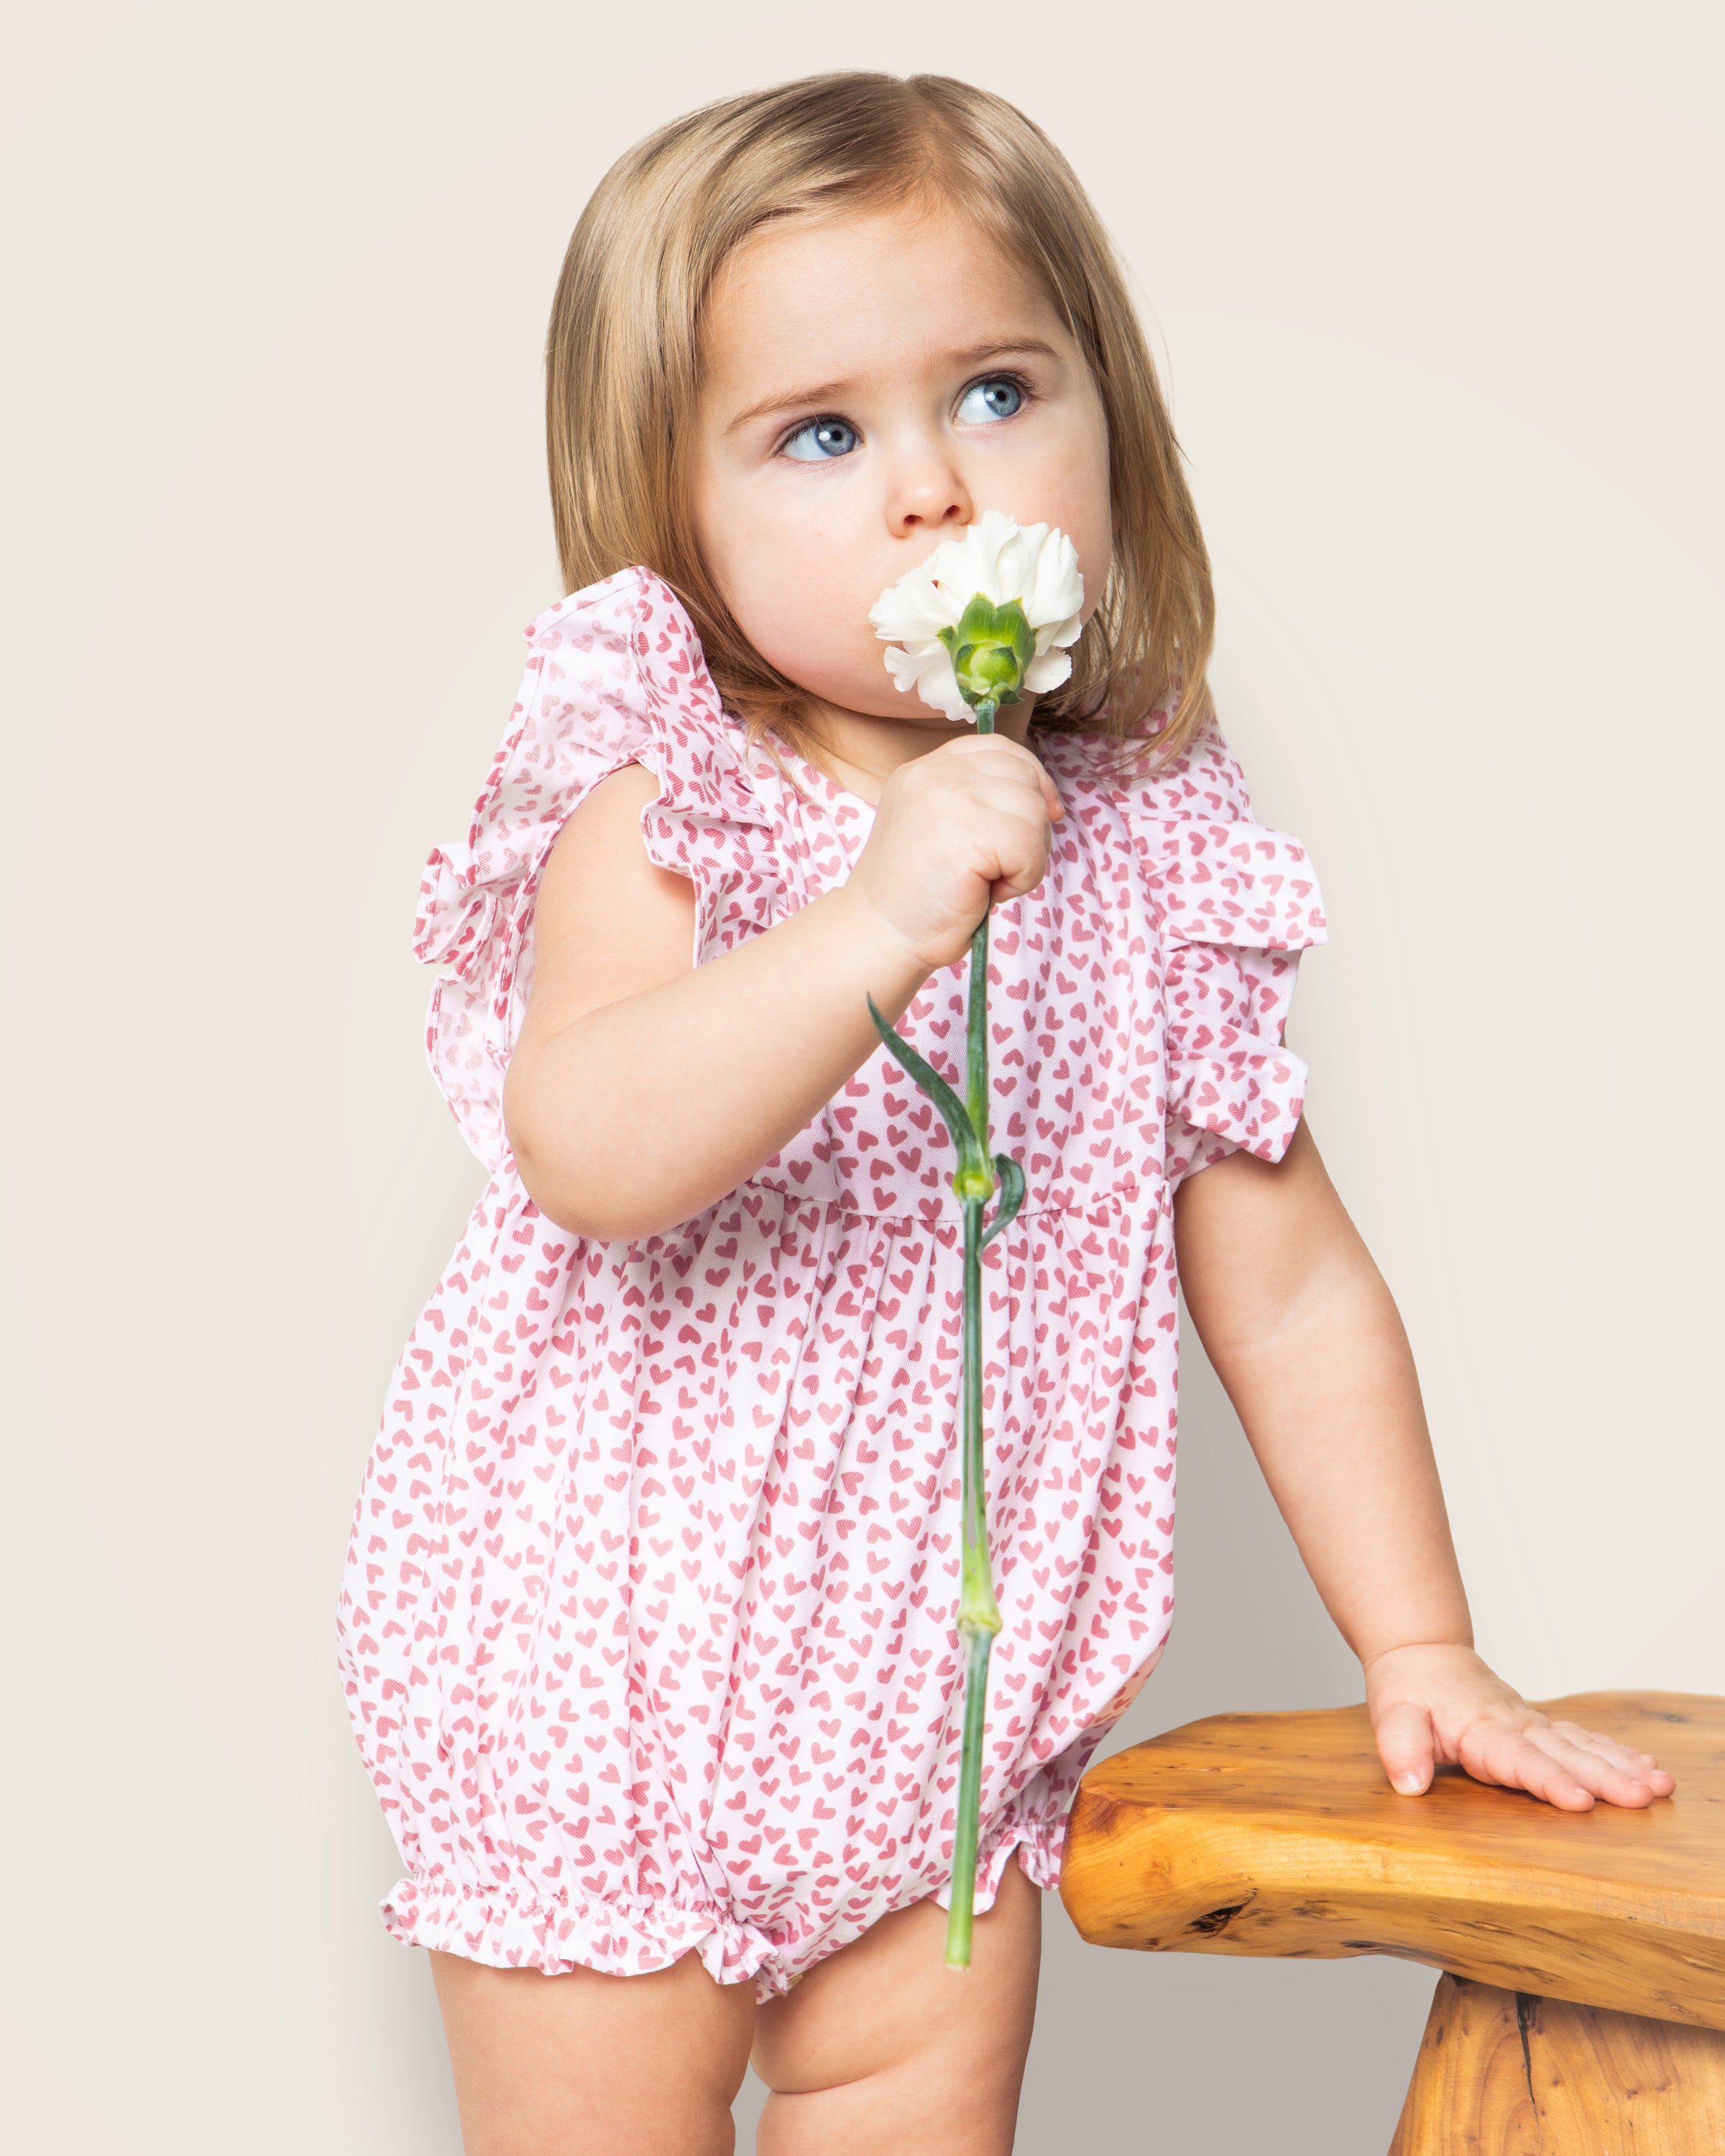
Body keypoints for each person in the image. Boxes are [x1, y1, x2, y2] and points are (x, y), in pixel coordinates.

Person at [335, 70, 1673, 2155]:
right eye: (821, 434)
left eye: (996, 392)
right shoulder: (669, 795)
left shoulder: (1147, 841)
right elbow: (589, 1143)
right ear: (670, 503)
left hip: (942, 1727)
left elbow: (1292, 1279)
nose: (936, 492)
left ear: (1107, 417)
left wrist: (1423, 1640)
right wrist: (875, 919)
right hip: (601, 1693)